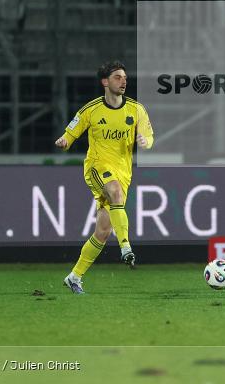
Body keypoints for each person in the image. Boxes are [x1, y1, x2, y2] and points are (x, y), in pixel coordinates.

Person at [55, 60, 155, 294]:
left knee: (102, 231)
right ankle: (125, 246)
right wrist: (64, 141)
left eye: (125, 78)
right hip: (97, 168)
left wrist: (145, 141)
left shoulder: (136, 110)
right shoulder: (91, 110)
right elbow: (71, 133)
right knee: (114, 191)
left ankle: (74, 277)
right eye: (118, 77)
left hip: (123, 173)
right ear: (105, 82)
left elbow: (150, 137)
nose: (123, 81)